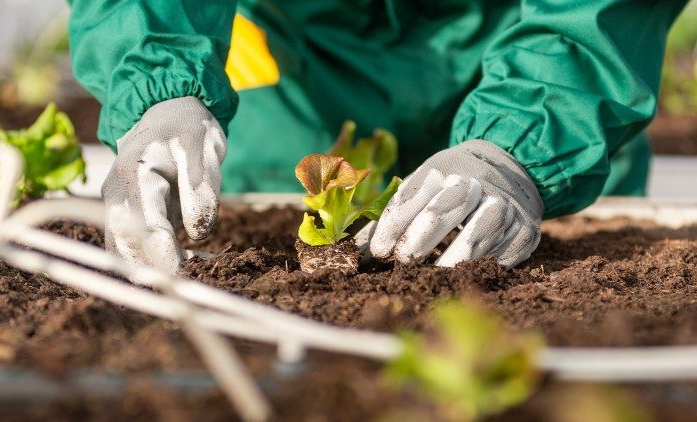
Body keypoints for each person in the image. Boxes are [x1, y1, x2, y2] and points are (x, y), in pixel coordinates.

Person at [67, 1, 686, 274]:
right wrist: (158, 76)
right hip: (298, 80)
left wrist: (522, 146)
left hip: (542, 83)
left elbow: (598, 13)